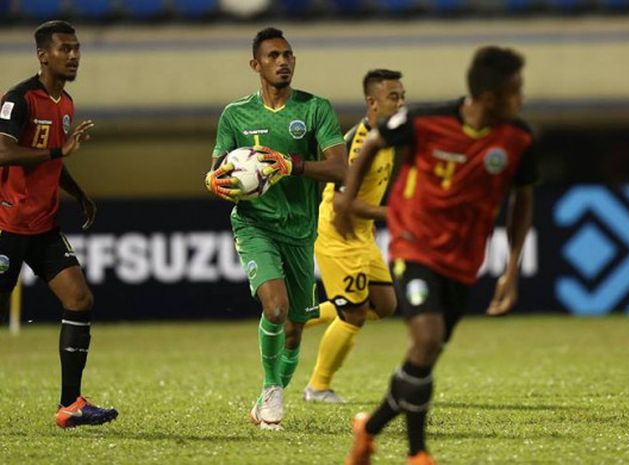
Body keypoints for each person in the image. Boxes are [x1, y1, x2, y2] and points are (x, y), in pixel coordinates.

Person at [335, 46, 538, 465]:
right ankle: (418, 453)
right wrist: (346, 200)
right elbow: (373, 141)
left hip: (463, 261)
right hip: (414, 245)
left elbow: (523, 200)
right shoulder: (428, 120)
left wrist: (512, 268)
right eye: (515, 90)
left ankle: (369, 429)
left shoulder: (517, 139)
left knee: (422, 359)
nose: (521, 98)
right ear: (489, 95)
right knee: (425, 340)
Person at [204, 27, 346, 430]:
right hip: (255, 226)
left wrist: (292, 165)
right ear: (256, 65)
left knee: (295, 327)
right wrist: (213, 182)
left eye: (288, 55)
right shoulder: (235, 115)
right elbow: (217, 172)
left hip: (300, 230)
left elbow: (341, 170)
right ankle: (271, 389)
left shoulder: (315, 109)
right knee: (277, 308)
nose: (283, 61)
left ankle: (273, 392)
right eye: (273, 56)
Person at [0, 20, 118, 428]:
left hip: (43, 226)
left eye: (77, 49)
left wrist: (79, 192)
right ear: (42, 55)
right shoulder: (19, 99)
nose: (74, 56)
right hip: (7, 223)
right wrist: (57, 151)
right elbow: (3, 152)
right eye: (65, 49)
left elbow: (56, 159)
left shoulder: (64, 102)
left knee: (79, 299)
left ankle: (71, 405)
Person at [302, 69, 405, 403]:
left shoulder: (389, 135)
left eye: (403, 96)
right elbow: (343, 204)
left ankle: (298, 318)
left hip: (363, 235)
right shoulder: (358, 145)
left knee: (386, 305)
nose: (401, 103)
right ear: (372, 102)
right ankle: (317, 387)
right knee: (354, 316)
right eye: (394, 97)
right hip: (339, 235)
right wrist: (395, 215)